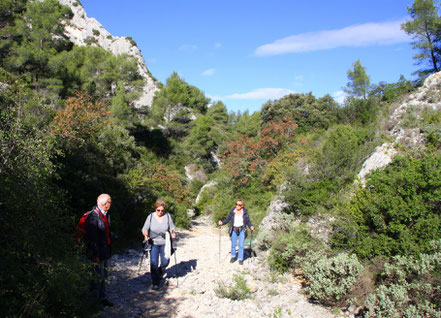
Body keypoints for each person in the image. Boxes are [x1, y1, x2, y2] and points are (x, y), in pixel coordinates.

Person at [85, 193, 114, 307]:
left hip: (105, 251)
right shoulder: (93, 216)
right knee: (97, 276)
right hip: (97, 253)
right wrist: (95, 254)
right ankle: (93, 301)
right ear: (105, 204)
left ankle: (102, 298)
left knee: (104, 276)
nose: (110, 204)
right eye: (110, 202)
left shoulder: (105, 215)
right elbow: (92, 238)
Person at [142, 199, 176, 290]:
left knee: (165, 261)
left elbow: (172, 227)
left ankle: (160, 271)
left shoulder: (167, 216)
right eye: (158, 210)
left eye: (162, 210)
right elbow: (144, 229)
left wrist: (173, 232)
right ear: (155, 209)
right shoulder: (151, 217)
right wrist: (146, 235)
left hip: (165, 243)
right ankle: (155, 282)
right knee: (153, 263)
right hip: (153, 243)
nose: (160, 212)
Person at [218, 199, 254, 265]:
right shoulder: (232, 211)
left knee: (241, 245)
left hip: (242, 229)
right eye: (236, 204)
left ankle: (240, 259)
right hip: (234, 229)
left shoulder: (245, 213)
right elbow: (227, 219)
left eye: (239, 205)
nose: (237, 206)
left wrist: (251, 226)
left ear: (242, 206)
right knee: (233, 244)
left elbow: (248, 221)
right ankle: (233, 256)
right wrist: (222, 223)